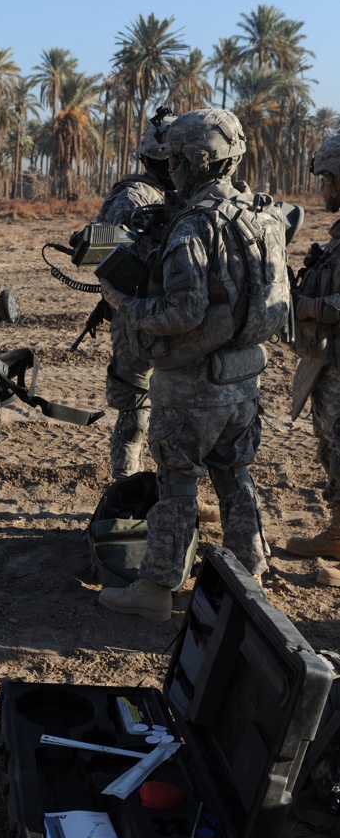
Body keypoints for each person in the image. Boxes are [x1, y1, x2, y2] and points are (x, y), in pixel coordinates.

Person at [97, 107, 289, 622]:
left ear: (197, 160)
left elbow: (183, 310)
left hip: (191, 385)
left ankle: (157, 587)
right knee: (236, 478)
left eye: (178, 157)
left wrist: (124, 304)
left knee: (178, 484)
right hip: (243, 378)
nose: (173, 167)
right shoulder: (263, 216)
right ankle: (251, 583)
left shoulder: (193, 227)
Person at [97, 117, 175, 479]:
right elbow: (104, 256)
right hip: (135, 320)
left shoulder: (180, 196)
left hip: (173, 317)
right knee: (135, 410)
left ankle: (172, 490)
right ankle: (127, 487)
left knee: (177, 409)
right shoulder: (131, 197)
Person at [286, 134, 340, 587]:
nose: (323, 191)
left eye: (328, 180)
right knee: (331, 445)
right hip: (329, 363)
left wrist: (307, 307)